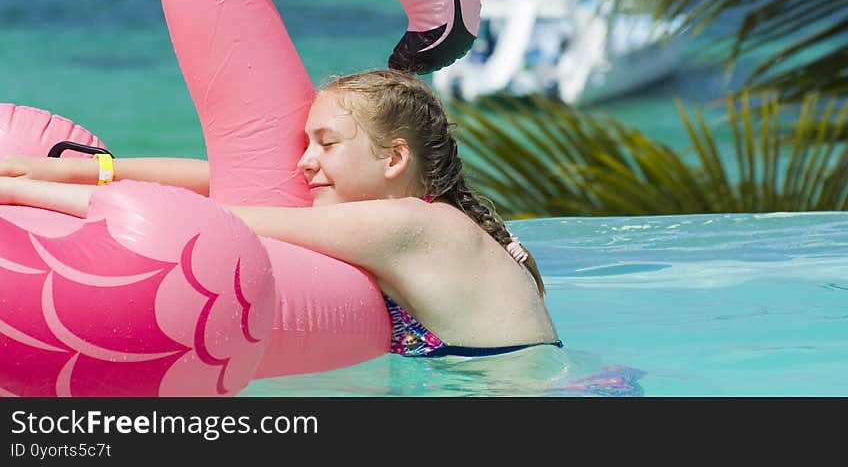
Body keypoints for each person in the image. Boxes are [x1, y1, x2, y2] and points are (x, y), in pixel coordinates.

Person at [0, 69, 560, 358]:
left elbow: (221, 218)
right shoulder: (429, 219)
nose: (304, 161)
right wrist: (81, 170)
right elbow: (220, 179)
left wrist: (25, 195)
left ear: (393, 157)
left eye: (326, 144)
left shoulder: (406, 225)